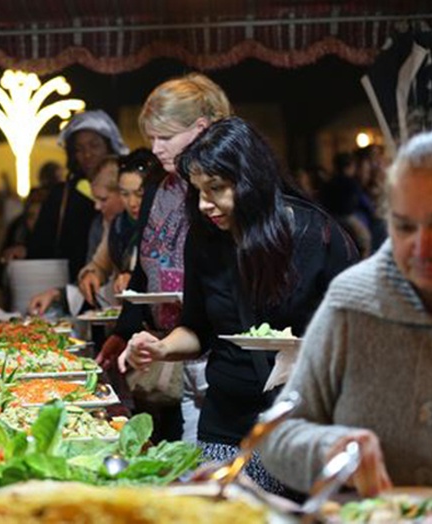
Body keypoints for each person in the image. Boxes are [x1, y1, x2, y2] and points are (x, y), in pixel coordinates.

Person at [118, 117, 358, 492]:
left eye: (216, 189)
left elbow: (358, 335)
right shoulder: (205, 239)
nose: (204, 205)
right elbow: (198, 328)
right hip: (224, 419)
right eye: (197, 191)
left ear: (252, 183)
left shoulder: (316, 236)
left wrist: (306, 353)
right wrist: (161, 346)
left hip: (299, 422)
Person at [260, 128, 432, 497]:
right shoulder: (354, 301)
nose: (421, 247)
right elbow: (276, 436)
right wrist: (328, 448)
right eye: (404, 227)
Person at [98, 73, 233, 445]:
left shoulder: (220, 189)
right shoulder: (160, 184)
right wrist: (124, 330)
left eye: (165, 138)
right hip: (171, 347)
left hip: (213, 347)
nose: (155, 149)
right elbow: (143, 265)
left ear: (201, 128)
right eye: (152, 138)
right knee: (185, 457)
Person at [27, 110, 129, 282]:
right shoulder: (62, 195)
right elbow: (40, 245)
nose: (87, 155)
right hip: (72, 287)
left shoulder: (130, 188)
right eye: (79, 149)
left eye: (94, 145)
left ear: (109, 145)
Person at [78, 149, 166, 306]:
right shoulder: (119, 224)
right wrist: (92, 274)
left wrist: (137, 279)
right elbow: (99, 264)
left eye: (140, 194)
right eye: (125, 194)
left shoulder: (168, 225)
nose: (132, 203)